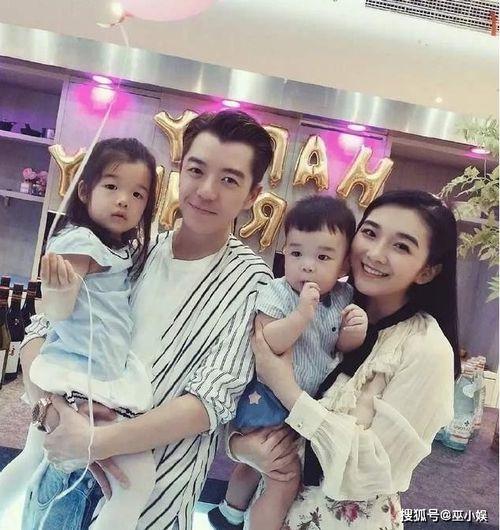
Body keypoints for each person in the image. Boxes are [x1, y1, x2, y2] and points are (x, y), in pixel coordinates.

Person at [18, 110, 279, 530]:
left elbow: (211, 401)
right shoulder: (131, 249)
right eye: (196, 170)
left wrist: (97, 441)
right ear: (179, 170)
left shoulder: (253, 282)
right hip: (61, 473)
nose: (206, 191)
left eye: (229, 180)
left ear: (252, 195)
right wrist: (51, 411)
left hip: (152, 501)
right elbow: (42, 330)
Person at [230, 190, 459, 529]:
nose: (375, 253)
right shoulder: (322, 305)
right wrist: (241, 446)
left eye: (401, 246)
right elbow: (245, 394)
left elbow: (377, 468)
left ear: (427, 271)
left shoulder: (426, 348)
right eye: (370, 233)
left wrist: (286, 388)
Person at [0, 137, 158, 529]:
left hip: (88, 371)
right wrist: (58, 290)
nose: (123, 200)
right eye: (112, 186)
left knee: (33, 458)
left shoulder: (121, 248)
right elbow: (57, 311)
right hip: (80, 375)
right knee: (138, 480)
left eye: (137, 194)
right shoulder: (81, 242)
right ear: (84, 191)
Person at [209, 195, 368, 530]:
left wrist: (354, 332)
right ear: (285, 253)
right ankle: (238, 515)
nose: (307, 265)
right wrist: (301, 315)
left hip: (306, 404)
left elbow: (340, 346)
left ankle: (228, 514)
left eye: (322, 257)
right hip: (269, 402)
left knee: (257, 466)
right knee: (283, 475)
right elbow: (268, 342)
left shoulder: (344, 297)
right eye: (296, 253)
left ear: (344, 266)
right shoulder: (277, 292)